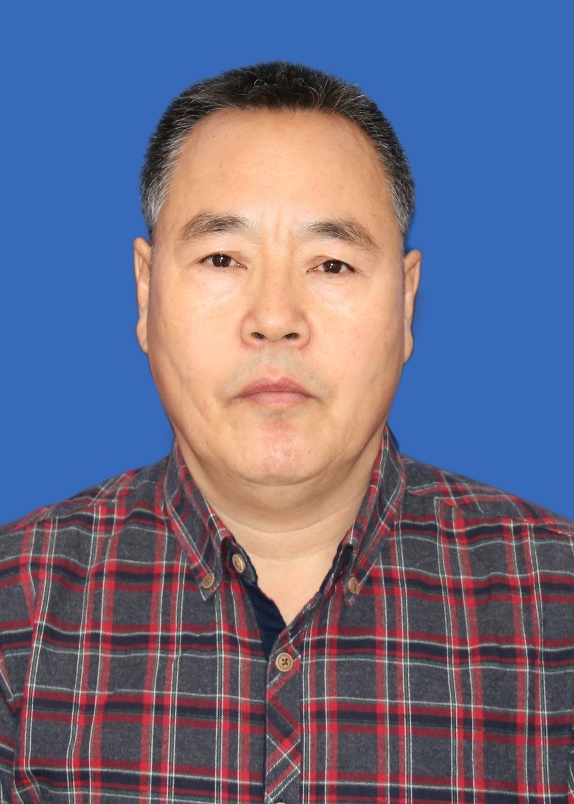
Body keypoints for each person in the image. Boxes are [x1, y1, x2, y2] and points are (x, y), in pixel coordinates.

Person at [0, 61, 573, 803]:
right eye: (221, 258)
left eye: (331, 263)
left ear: (406, 302)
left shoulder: (556, 604)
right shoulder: (18, 612)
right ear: (146, 290)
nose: (275, 318)